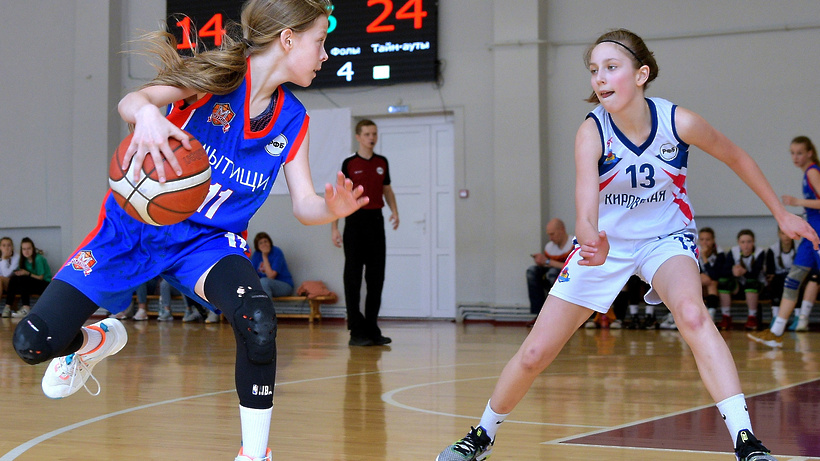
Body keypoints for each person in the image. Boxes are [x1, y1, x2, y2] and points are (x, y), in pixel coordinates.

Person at [435, 29, 817, 461]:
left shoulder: (678, 121)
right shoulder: (591, 131)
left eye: (611, 67)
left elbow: (737, 157)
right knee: (536, 351)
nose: (599, 78)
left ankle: (746, 441)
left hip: (665, 238)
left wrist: (781, 213)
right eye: (593, 70)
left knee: (693, 314)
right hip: (606, 244)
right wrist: (589, 237)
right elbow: (585, 208)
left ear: (641, 74)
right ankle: (482, 435)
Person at [11, 2, 367, 461]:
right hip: (133, 231)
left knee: (258, 319)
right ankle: (96, 341)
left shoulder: (293, 121)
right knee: (32, 343)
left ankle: (254, 455)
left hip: (208, 245)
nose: (325, 55)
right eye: (320, 42)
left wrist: (330, 208)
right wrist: (147, 114)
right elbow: (132, 102)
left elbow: (304, 205)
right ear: (288, 39)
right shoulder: (216, 78)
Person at [331, 119, 399, 347]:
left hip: (376, 222)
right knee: (353, 277)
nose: (372, 137)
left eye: (374, 134)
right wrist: (334, 227)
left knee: (376, 277)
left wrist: (395, 211)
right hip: (354, 222)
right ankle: (356, 331)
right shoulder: (349, 163)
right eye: (368, 134)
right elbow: (340, 196)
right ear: (358, 137)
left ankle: (372, 328)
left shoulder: (382, 162)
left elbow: (387, 190)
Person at [750, 136, 820, 347]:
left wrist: (797, 202)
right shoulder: (807, 173)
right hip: (810, 233)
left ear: (809, 153)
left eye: (799, 153)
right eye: (792, 153)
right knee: (792, 280)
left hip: (818, 232)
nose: (795, 157)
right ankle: (776, 332)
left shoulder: (813, 171)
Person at [718, 229, 767, 331]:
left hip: (758, 286)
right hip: (739, 285)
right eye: (743, 242)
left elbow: (755, 274)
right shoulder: (734, 251)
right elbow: (723, 271)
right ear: (738, 243)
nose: (746, 245)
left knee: (751, 282)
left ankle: (752, 317)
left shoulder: (759, 252)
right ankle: (726, 317)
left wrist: (744, 272)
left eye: (749, 242)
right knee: (723, 282)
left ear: (753, 242)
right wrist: (733, 272)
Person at [526, 218, 573, 317]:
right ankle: (538, 314)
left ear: (562, 230)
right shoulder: (549, 247)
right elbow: (547, 265)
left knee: (553, 273)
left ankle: (557, 314)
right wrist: (541, 262)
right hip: (551, 273)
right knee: (532, 271)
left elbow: (571, 267)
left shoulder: (574, 244)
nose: (550, 238)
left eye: (552, 234)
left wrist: (547, 261)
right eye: (549, 235)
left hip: (569, 277)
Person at [4, 237, 52, 319]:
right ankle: (7, 307)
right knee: (14, 279)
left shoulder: (38, 258)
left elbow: (41, 277)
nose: (26, 251)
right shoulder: (23, 260)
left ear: (33, 249)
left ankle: (26, 308)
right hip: (30, 284)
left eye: (29, 248)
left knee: (24, 279)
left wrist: (27, 273)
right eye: (24, 249)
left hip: (45, 284)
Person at [250, 232, 294, 298]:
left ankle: (267, 305)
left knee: (264, 282)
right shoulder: (256, 254)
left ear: (270, 242)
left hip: (284, 285)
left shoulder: (276, 252)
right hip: (264, 286)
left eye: (265, 241)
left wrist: (265, 256)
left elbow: (271, 276)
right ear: (257, 246)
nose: (264, 244)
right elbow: (253, 275)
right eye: (260, 243)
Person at [0, 236, 20, 317]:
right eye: (4, 245)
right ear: (0, 247)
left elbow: (7, 274)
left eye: (9, 245)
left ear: (12, 247)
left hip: (13, 284)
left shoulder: (17, 257)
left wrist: (4, 258)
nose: (6, 248)